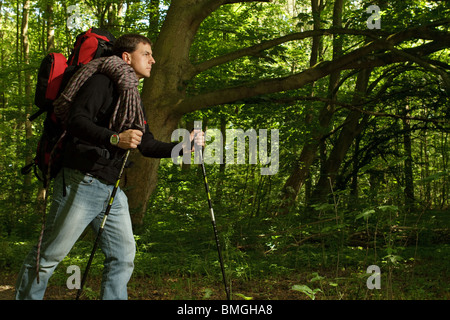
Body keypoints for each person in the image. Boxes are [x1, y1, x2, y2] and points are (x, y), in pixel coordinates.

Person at [15, 33, 203, 300]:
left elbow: (145, 143)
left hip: (110, 188)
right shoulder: (101, 82)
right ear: (126, 57)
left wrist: (183, 147)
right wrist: (115, 137)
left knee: (122, 256)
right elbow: (77, 121)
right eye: (146, 54)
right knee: (48, 256)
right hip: (82, 180)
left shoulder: (132, 97)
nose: (153, 60)